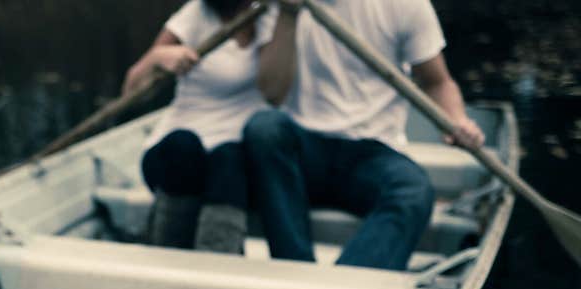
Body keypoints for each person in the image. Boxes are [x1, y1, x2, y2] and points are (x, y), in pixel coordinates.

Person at [244, 0, 485, 271]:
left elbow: (437, 81)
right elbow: (271, 93)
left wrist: (457, 121)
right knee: (263, 128)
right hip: (303, 153)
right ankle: (295, 271)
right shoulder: (277, 6)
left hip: (372, 155)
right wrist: (288, 15)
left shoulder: (405, 4)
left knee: (414, 191)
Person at [122, 0, 278, 254]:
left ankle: (216, 267)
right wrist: (158, 58)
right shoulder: (196, 14)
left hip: (234, 163)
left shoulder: (273, 17)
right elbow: (130, 91)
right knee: (182, 145)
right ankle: (167, 258)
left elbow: (277, 87)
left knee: (229, 159)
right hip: (177, 155)